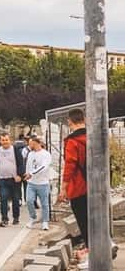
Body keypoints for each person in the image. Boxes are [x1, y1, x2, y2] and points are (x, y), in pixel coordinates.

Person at [59, 109, 89, 262]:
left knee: (83, 219)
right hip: (96, 186)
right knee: (95, 217)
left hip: (78, 186)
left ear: (70, 121)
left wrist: (63, 188)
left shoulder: (72, 141)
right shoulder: (93, 136)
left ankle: (90, 249)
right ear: (84, 119)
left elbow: (70, 165)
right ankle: (102, 244)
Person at [0, 133, 25, 227]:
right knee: (3, 198)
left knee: (15, 199)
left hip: (14, 179)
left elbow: (21, 163)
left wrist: (20, 175)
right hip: (2, 179)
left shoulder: (15, 149)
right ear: (0, 141)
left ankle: (16, 217)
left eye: (6, 140)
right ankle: (4, 219)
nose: (5, 142)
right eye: (3, 140)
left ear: (10, 140)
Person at [23, 136, 51, 230]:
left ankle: (45, 221)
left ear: (36, 143)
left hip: (43, 183)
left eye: (31, 143)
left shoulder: (46, 154)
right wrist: (27, 174)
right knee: (29, 200)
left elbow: (44, 167)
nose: (29, 144)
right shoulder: (30, 154)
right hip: (31, 183)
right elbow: (28, 165)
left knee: (44, 204)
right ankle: (33, 217)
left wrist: (32, 173)